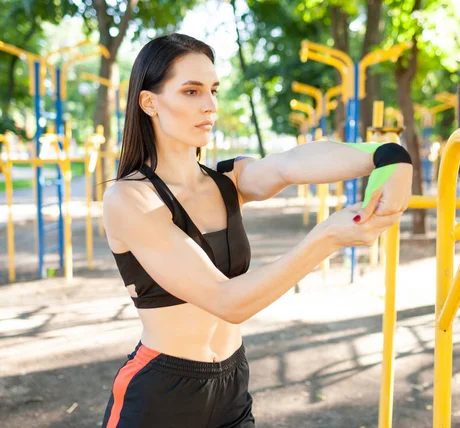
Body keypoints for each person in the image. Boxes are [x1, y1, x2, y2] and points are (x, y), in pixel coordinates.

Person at [101, 33, 413, 428]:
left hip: (232, 385)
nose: (210, 105)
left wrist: (388, 157)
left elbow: (292, 163)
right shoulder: (130, 199)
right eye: (191, 91)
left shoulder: (227, 180)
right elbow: (227, 300)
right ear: (149, 102)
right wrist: (328, 237)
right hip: (161, 395)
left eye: (213, 90)